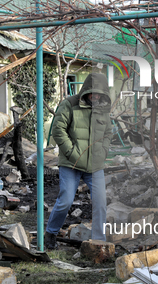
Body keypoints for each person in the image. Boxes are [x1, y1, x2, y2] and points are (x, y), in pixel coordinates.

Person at [44, 73, 113, 250]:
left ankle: (99, 243)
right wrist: (72, 152)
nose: (95, 97)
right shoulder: (69, 104)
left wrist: (102, 152)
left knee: (100, 202)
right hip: (71, 162)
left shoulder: (103, 108)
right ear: (86, 89)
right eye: (93, 93)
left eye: (99, 94)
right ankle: (51, 233)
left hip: (95, 165)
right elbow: (58, 130)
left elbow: (108, 133)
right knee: (66, 200)